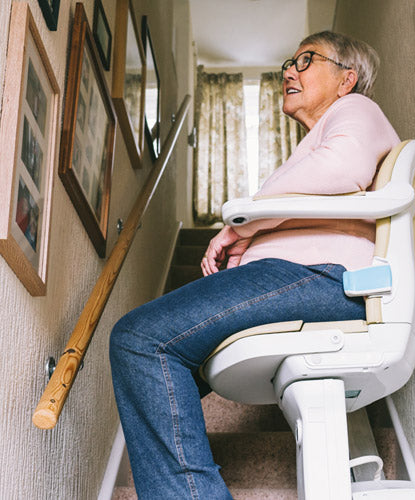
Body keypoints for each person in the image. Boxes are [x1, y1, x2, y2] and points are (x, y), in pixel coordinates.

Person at [110, 31, 400, 499]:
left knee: (142, 339)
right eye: (289, 61)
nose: (289, 70)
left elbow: (341, 168)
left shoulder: (355, 110)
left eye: (306, 60)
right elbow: (311, 197)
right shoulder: (316, 139)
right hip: (309, 275)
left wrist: (243, 224)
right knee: (157, 351)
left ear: (347, 79)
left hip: (324, 277)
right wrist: (251, 240)